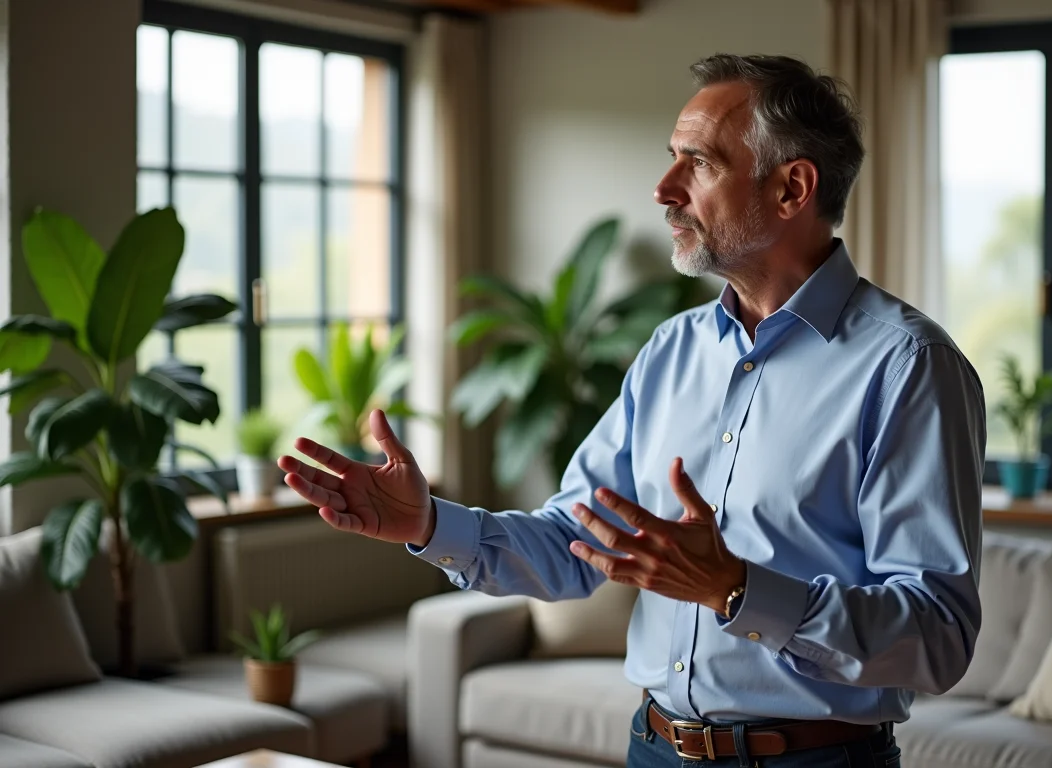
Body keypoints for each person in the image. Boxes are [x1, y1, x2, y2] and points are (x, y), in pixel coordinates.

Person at [279, 53, 986, 768]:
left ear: (791, 188)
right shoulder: (671, 352)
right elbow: (577, 542)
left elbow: (937, 638)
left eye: (698, 164)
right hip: (654, 749)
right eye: (671, 160)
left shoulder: (907, 367)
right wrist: (430, 522)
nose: (663, 189)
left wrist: (737, 589)